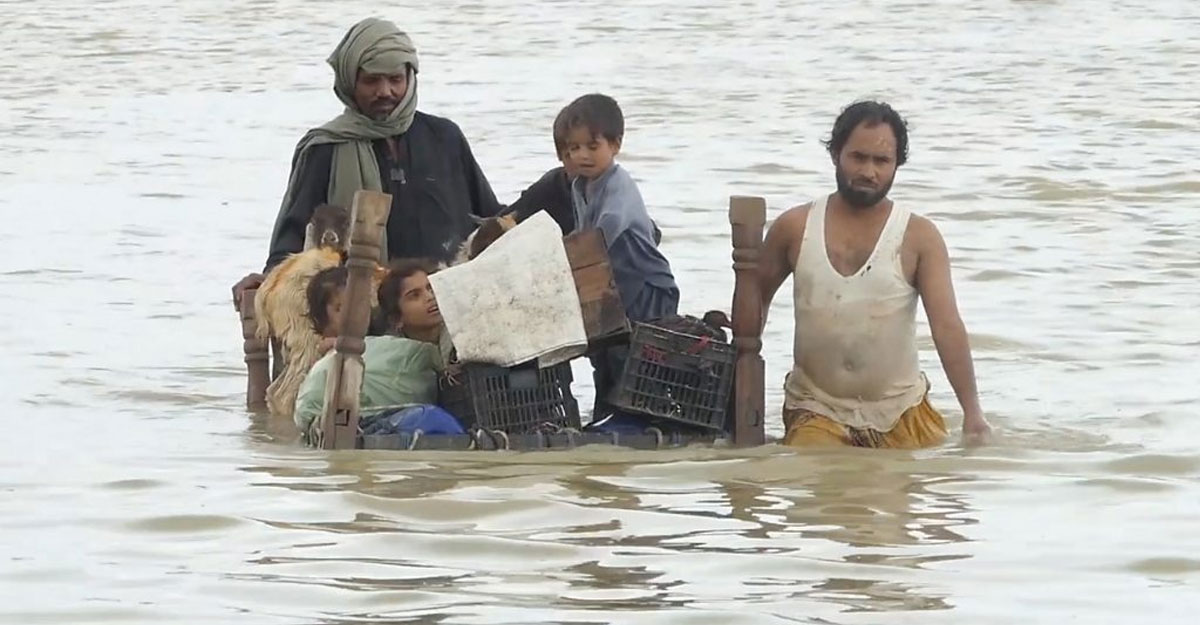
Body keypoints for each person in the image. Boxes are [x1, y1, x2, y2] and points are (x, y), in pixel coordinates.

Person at [758, 100, 992, 449]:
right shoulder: (794, 227)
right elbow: (754, 303)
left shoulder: (918, 236)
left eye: (882, 161)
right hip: (816, 409)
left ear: (897, 164)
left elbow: (946, 327)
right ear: (836, 154)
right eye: (858, 157)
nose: (869, 172)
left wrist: (973, 414)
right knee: (812, 484)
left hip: (901, 412)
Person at [231, 17, 501, 311]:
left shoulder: (444, 137)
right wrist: (269, 282)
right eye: (372, 80)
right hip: (364, 314)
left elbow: (488, 220)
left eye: (395, 79)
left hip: (448, 303)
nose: (385, 91)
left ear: (410, 79)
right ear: (350, 82)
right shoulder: (325, 148)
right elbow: (294, 237)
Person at [555, 93, 679, 423]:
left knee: (635, 359)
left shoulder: (618, 183)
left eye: (592, 147)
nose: (582, 155)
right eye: (573, 148)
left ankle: (637, 421)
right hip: (613, 287)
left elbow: (605, 230)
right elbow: (584, 233)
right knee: (604, 355)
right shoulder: (580, 186)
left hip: (646, 285)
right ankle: (605, 416)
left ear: (616, 144)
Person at [293, 259, 455, 436]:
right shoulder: (392, 355)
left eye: (430, 288)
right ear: (396, 319)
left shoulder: (455, 334)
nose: (430, 298)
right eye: (414, 295)